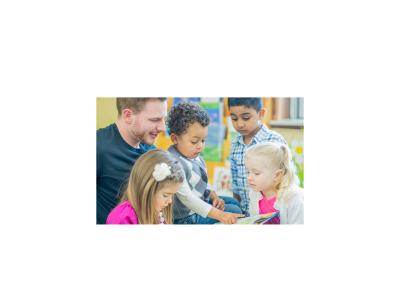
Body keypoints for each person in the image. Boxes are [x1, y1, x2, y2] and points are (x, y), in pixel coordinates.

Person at [166, 101, 243, 224]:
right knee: (234, 209)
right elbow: (188, 200)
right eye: (194, 141)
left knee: (233, 203)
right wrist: (221, 216)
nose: (200, 146)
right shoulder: (173, 163)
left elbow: (203, 181)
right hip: (186, 217)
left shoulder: (194, 156)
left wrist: (214, 196)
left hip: (201, 203)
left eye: (203, 140)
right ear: (175, 139)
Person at [97, 97, 167, 224]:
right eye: (155, 120)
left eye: (164, 120)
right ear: (128, 116)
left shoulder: (151, 152)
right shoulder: (98, 147)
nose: (163, 128)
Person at [228, 97, 288, 214]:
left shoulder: (274, 140)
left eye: (246, 118)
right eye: (234, 118)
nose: (239, 124)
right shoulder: (235, 144)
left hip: (274, 210)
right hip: (246, 211)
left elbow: (287, 178)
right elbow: (235, 182)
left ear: (261, 114)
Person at [106, 149, 184, 224]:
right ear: (147, 188)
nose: (170, 201)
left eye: (172, 195)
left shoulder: (157, 211)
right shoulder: (122, 218)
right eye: (165, 195)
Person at [245, 142, 304, 224]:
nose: (249, 177)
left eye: (256, 173)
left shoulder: (294, 198)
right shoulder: (254, 193)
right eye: (248, 172)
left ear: (277, 175)